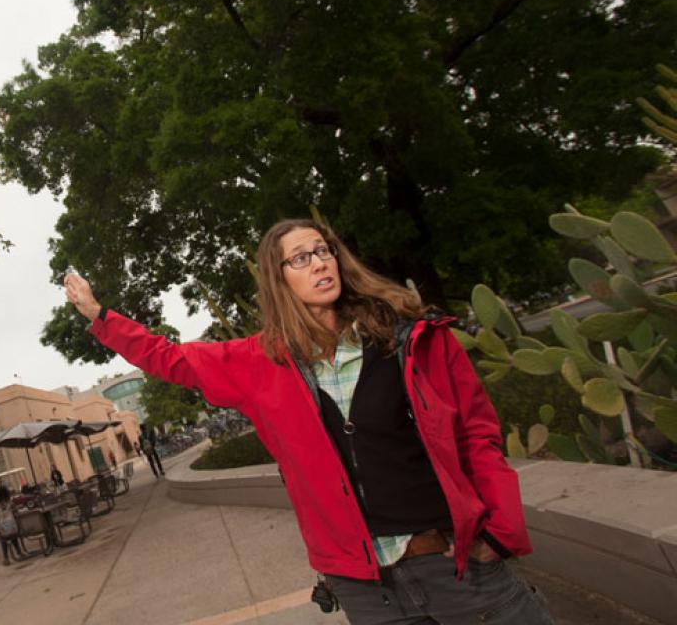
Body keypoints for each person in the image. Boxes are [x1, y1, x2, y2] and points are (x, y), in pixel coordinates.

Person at [62, 219, 555, 624]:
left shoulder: (414, 340)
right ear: (280, 279)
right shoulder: (259, 363)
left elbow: (477, 434)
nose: (319, 262)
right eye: (300, 257)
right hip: (367, 593)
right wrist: (99, 315)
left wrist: (501, 533)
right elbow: (171, 359)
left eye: (324, 251)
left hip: (455, 566)